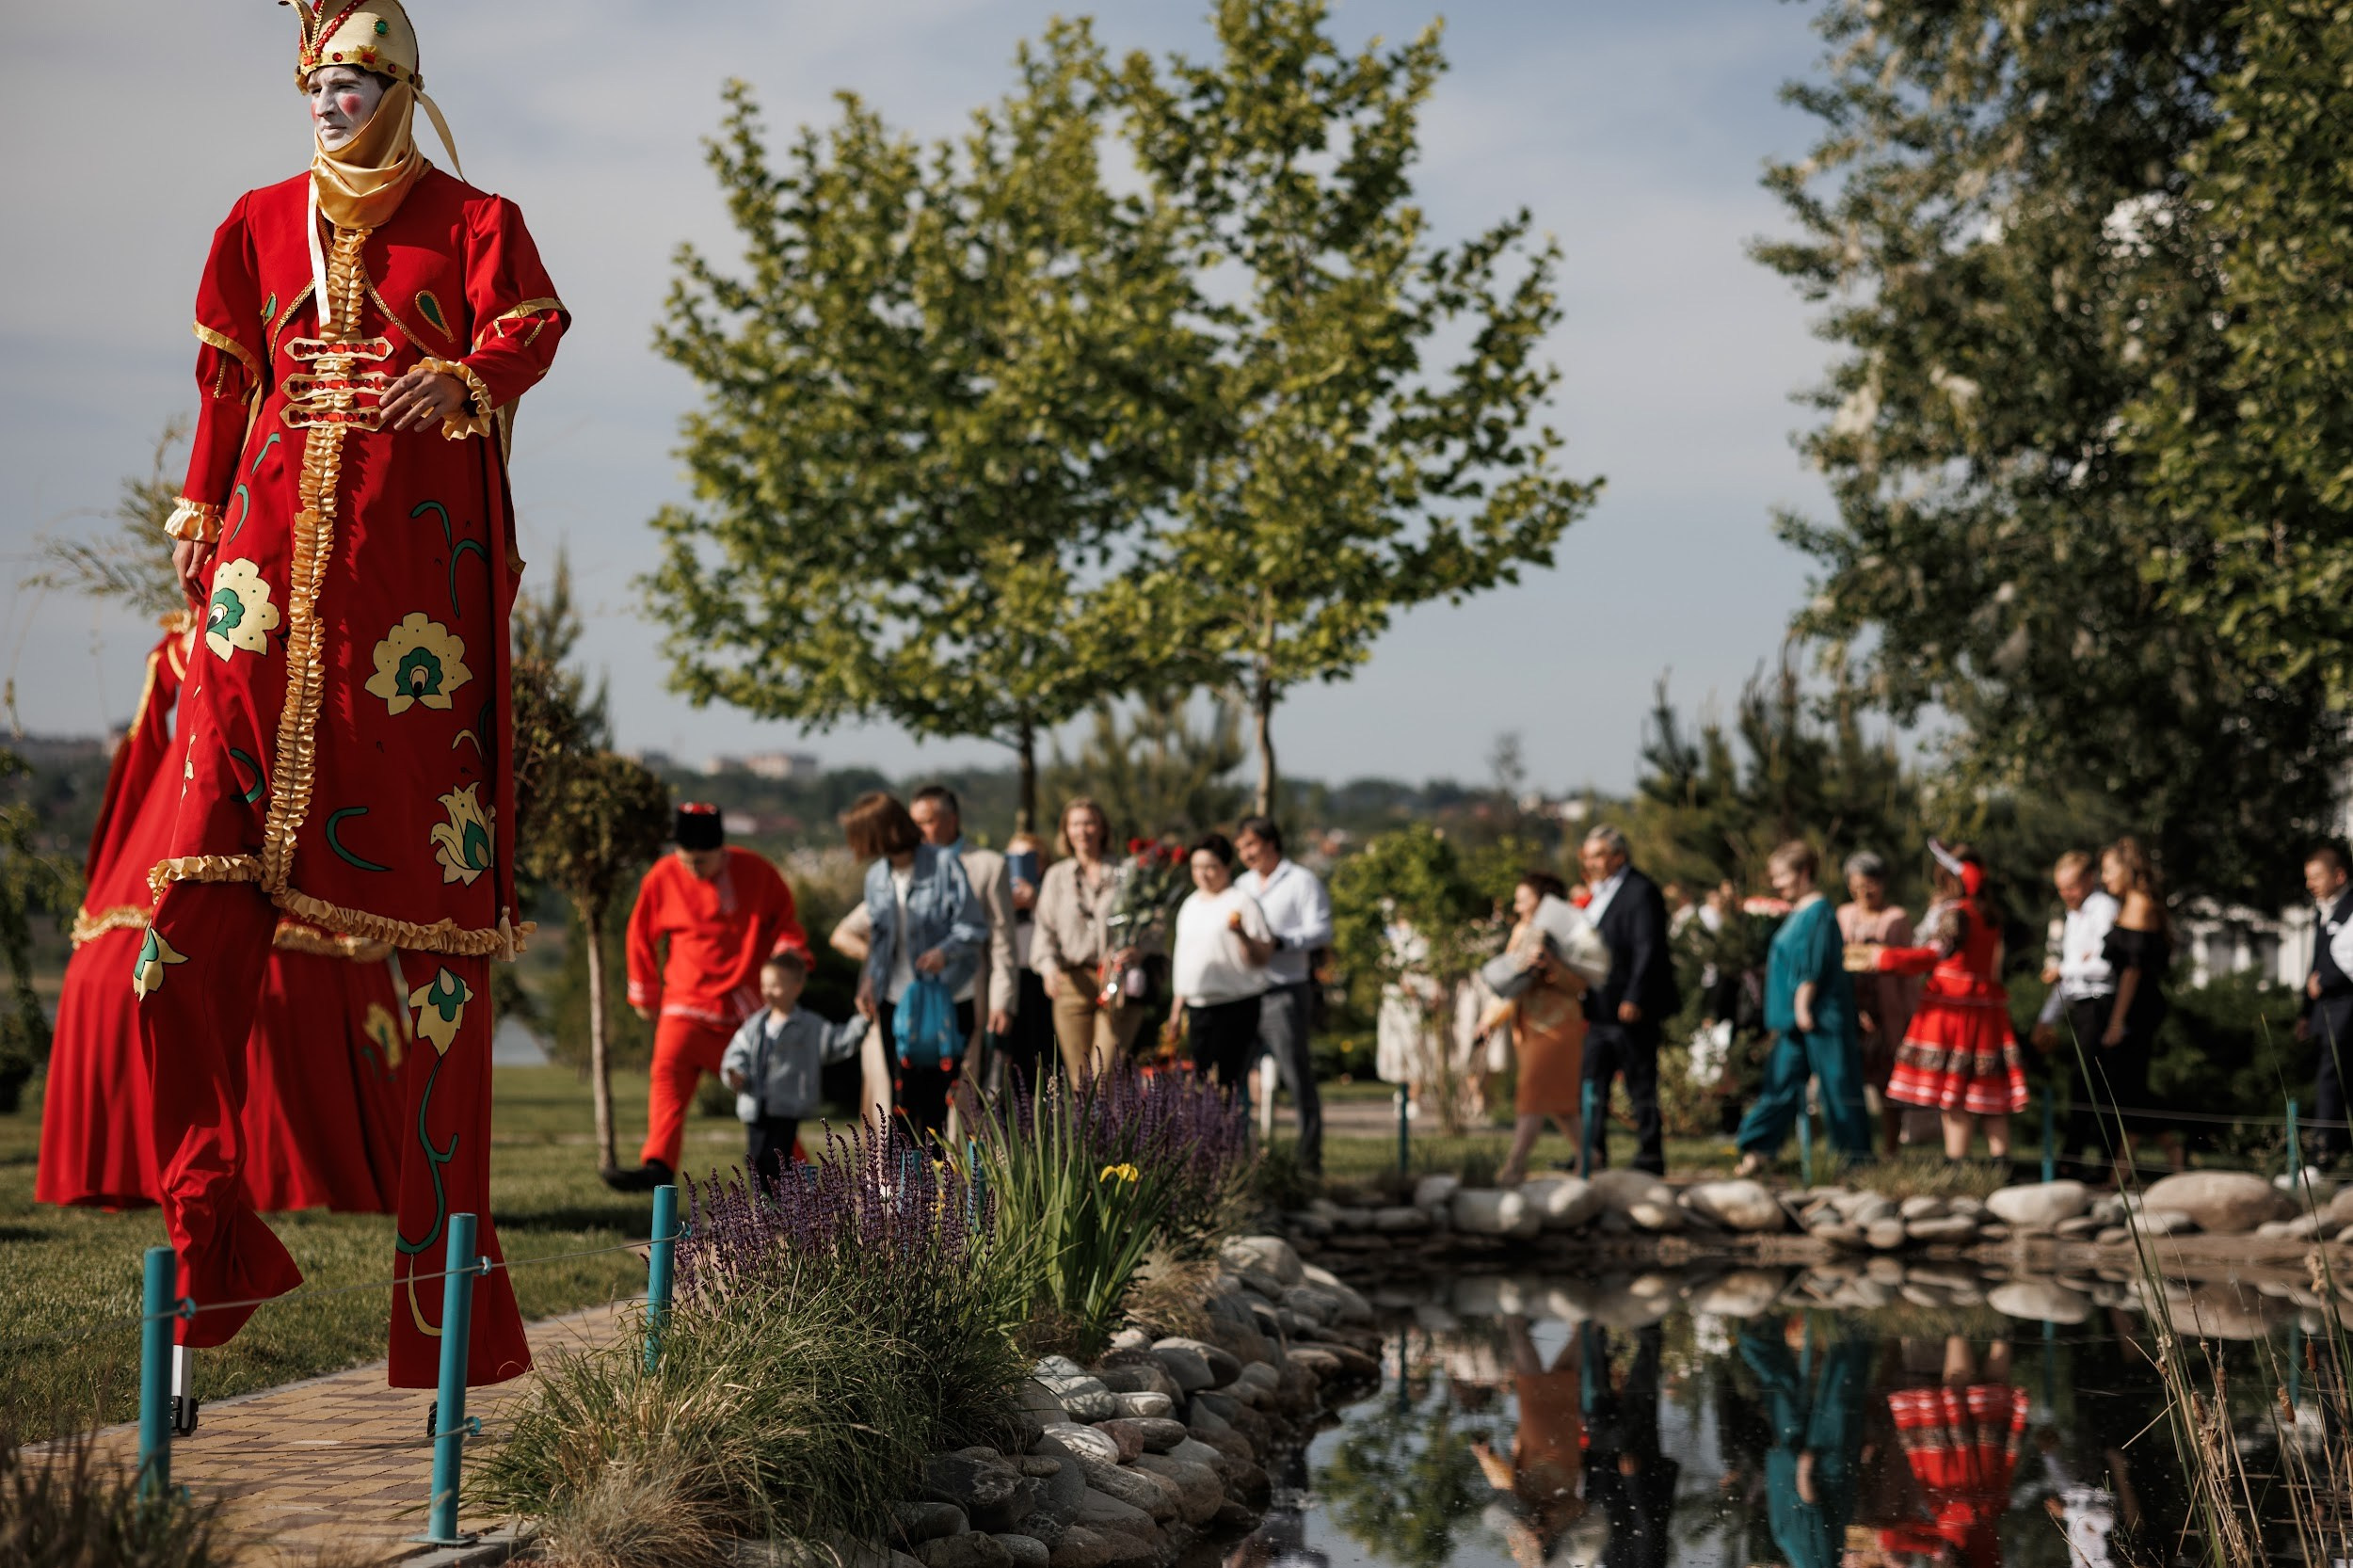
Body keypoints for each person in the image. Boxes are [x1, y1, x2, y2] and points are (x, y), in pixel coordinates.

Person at [137, 3, 566, 1384]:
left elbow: (532, 320)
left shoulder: (474, 212)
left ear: (403, 86)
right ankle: (213, 1234)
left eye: (358, 80)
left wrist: (461, 379)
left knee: (438, 970)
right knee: (172, 943)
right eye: (318, 80)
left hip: (408, 623)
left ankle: (449, 1318)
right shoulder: (257, 219)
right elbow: (227, 377)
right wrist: (201, 507)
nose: (332, 102)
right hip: (259, 607)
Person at [611, 804, 810, 1191]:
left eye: (701, 861)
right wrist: (645, 993)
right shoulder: (663, 875)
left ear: (722, 850)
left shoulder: (758, 872)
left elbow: (787, 926)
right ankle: (657, 1165)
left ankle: (794, 1173)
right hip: (684, 1006)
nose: (693, 869)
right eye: (686, 860)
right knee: (666, 1077)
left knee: (765, 1101)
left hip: (744, 1013)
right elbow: (640, 935)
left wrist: (788, 964)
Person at [1864, 843, 2027, 1163]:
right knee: (1985, 1085)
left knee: (1954, 1090)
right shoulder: (1989, 914)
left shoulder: (1958, 915)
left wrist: (1884, 957)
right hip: (1987, 1009)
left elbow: (1933, 955)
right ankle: (2001, 1159)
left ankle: (1957, 1160)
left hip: (1953, 1008)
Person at [846, 791, 985, 1140]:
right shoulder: (877, 876)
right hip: (896, 1001)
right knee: (901, 1102)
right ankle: (905, 1190)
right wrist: (868, 983)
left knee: (937, 1104)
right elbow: (879, 942)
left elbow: (973, 926)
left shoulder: (942, 864)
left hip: (946, 999)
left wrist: (944, 951)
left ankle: (938, 1189)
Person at [1736, 841, 1872, 1174]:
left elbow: (1813, 962)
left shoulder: (1819, 912)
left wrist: (1803, 1005)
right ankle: (1758, 1147)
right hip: (1794, 1019)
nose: (1777, 884)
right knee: (1780, 1081)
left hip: (1816, 1015)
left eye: (1782, 875)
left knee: (1838, 1083)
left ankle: (1854, 1160)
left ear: (1804, 873)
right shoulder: (1798, 911)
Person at [1577, 825, 1680, 1175]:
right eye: (1587, 856)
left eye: (1598, 855)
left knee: (1639, 1081)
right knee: (1593, 1082)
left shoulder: (1640, 891)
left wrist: (1635, 994)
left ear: (1618, 855)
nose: (1591, 862)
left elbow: (1647, 947)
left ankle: (1650, 1154)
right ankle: (1592, 1152)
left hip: (1629, 1007)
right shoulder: (1598, 894)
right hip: (1599, 1006)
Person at [719, 951, 868, 1184]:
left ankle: (785, 1202)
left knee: (777, 1157)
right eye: (764, 985)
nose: (768, 991)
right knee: (755, 1158)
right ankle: (770, 1203)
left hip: (788, 1106)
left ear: (797, 988)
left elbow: (839, 1041)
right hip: (755, 1105)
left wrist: (862, 1020)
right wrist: (736, 1074)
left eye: (776, 986)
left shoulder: (810, 1026)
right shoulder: (755, 1024)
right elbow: (736, 1053)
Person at [1235, 816, 1332, 1171]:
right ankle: (1241, 1161)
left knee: (1295, 1075)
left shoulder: (1302, 881)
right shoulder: (1242, 884)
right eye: (1241, 849)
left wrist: (1283, 942)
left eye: (1250, 845)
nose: (1245, 854)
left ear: (1270, 842)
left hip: (1285, 989)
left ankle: (1308, 1162)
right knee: (1237, 1078)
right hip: (1245, 991)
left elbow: (1321, 930)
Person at [1030, 798, 1150, 1080]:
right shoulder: (1056, 876)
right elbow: (1044, 930)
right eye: (1075, 824)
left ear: (1102, 828)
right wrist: (1048, 968)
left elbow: (1152, 921)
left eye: (1089, 823)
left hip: (1115, 981)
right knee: (1080, 1079)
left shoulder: (1126, 871)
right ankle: (1089, 1127)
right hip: (1071, 983)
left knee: (1104, 1074)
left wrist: (1138, 950)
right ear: (1066, 831)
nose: (1082, 831)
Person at [1483, 872, 1590, 1185]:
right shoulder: (1521, 930)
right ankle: (1587, 1154)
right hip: (1528, 1024)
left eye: (1523, 898)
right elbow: (1510, 982)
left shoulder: (1568, 932)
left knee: (1531, 1094)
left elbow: (1582, 982)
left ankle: (1515, 1165)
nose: (1517, 906)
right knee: (1559, 1102)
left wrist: (1551, 968)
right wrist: (1489, 1020)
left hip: (1557, 1026)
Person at [1739, 1318, 1872, 1568]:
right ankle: (1758, 1329)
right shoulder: (1811, 1563)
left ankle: (1851, 1321)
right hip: (1814, 1464)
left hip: (1810, 1462)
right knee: (1826, 1391)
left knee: (1835, 1390)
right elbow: (1813, 1514)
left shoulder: (1807, 1562)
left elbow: (1810, 1512)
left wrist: (1801, 1471)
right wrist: (1801, 1471)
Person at [2032, 853, 2122, 1177]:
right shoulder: (2074, 916)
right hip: (2081, 1003)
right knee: (2082, 1083)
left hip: (2102, 1003)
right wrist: (2047, 1018)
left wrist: (2068, 968)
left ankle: (2096, 1161)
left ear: (2088, 879)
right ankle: (2077, 1157)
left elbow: (2104, 964)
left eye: (2070, 887)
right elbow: (2070, 978)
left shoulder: (2104, 908)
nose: (2065, 894)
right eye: (2061, 889)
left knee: (2094, 1084)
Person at [2096, 837, 2178, 1173]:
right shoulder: (2127, 903)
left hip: (2138, 1006)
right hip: (2129, 1003)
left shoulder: (2140, 904)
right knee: (2125, 1085)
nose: (2104, 878)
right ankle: (2126, 1164)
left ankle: (2167, 1147)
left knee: (2129, 1085)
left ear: (2127, 869)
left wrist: (2117, 1020)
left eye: (2108, 870)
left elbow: (2133, 969)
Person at [1170, 834, 1276, 1091]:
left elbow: (1262, 956)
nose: (1203, 874)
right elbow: (1182, 960)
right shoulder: (1190, 905)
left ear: (1227, 867)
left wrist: (1241, 935)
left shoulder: (1241, 902)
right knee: (1202, 1082)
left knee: (1226, 1083)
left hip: (1235, 1005)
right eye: (1196, 867)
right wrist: (1176, 1010)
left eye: (1210, 867)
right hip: (1198, 1007)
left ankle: (1230, 1130)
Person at [1838, 851, 1922, 1152]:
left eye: (1870, 884)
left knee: (1888, 1084)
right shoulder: (1843, 915)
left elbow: (1908, 971)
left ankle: (1890, 1151)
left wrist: (1912, 1017)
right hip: (1852, 1011)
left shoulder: (1896, 918)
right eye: (1857, 885)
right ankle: (1855, 1148)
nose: (1864, 892)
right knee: (1849, 1080)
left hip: (1887, 1013)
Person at [2303, 843, 2353, 1167]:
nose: (2311, 884)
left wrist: (2325, 980)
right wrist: (2304, 1012)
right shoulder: (2323, 911)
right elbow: (2314, 962)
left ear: (2339, 875)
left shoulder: (2349, 908)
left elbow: (2341, 959)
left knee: (2333, 1079)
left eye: (2317, 877)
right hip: (2326, 1012)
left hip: (2346, 1011)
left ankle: (2322, 1158)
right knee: (2331, 1079)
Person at [997, 830, 1055, 1090]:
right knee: (1011, 1056)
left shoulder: (1051, 894)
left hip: (1042, 978)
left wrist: (1036, 903)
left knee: (1042, 1050)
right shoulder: (1000, 893)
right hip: (1009, 978)